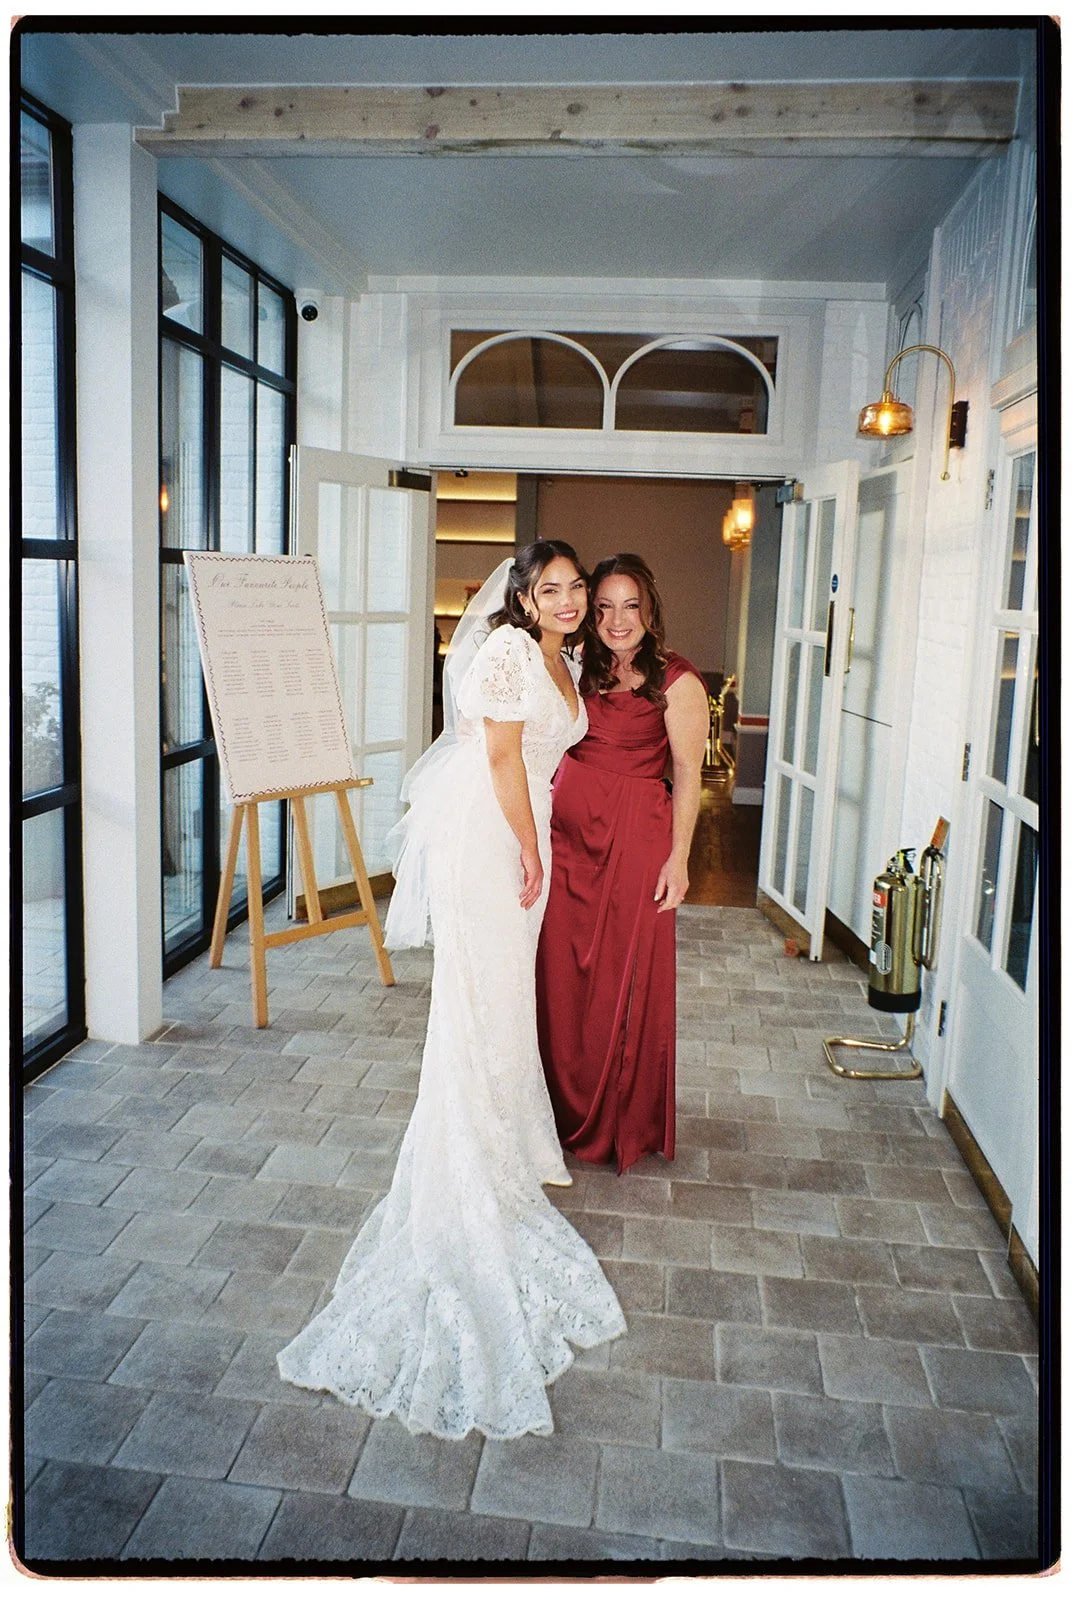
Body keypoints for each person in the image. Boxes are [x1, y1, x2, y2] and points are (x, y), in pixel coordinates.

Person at [277, 541, 625, 1439]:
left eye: (575, 587)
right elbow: (505, 758)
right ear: (523, 597)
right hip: (495, 832)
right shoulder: (511, 651)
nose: (568, 600)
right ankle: (472, 1165)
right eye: (551, 589)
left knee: (502, 1004)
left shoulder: (567, 654)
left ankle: (504, 1140)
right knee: (481, 1001)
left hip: (522, 825)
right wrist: (533, 849)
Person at [536, 553, 709, 1175]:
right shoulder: (574, 668)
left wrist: (680, 859)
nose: (615, 620)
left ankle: (618, 1119)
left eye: (628, 605)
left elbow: (687, 774)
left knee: (623, 977)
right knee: (561, 976)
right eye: (603, 606)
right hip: (568, 842)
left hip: (638, 842)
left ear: (649, 609)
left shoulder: (681, 681)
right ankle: (556, 1106)